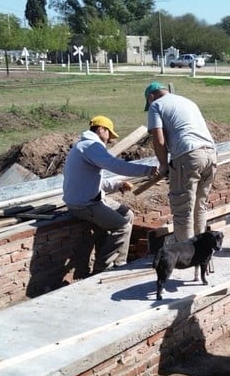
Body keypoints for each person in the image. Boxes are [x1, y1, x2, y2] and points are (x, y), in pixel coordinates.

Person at [62, 115, 158, 274]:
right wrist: (148, 171)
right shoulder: (91, 146)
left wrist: (117, 185)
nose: (110, 140)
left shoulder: (83, 146)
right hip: (84, 204)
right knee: (121, 226)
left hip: (90, 198)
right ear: (101, 129)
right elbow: (114, 165)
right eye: (109, 135)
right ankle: (102, 267)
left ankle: (120, 262)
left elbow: (92, 180)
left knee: (128, 215)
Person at [144, 82, 218, 242]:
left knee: (183, 209)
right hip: (211, 154)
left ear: (151, 97)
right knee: (200, 205)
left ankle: (186, 255)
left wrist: (163, 165)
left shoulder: (155, 105)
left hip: (188, 155)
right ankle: (200, 251)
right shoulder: (187, 101)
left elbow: (158, 138)